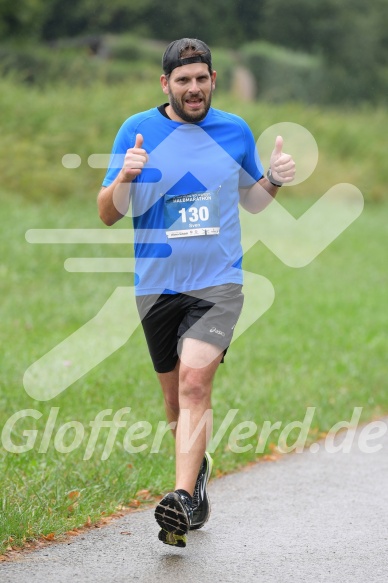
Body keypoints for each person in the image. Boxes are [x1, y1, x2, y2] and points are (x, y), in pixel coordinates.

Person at [97, 38, 295, 548]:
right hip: (157, 286)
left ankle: (181, 498)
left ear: (212, 80)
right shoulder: (137, 131)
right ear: (165, 84)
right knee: (174, 404)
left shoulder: (233, 130)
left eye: (201, 78)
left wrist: (272, 178)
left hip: (219, 283)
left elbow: (252, 202)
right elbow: (108, 211)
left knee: (193, 385)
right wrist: (124, 175)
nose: (193, 88)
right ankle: (198, 481)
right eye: (182, 80)